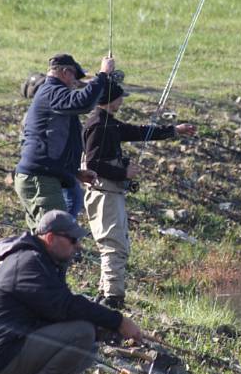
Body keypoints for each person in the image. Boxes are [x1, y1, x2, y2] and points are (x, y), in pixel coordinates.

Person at [0, 209, 142, 374]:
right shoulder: (29, 263)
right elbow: (64, 306)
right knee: (82, 334)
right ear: (51, 238)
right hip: (0, 356)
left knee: (88, 347)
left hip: (9, 349)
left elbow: (55, 312)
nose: (78, 245)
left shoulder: (43, 261)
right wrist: (118, 321)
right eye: (73, 240)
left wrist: (104, 327)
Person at [83, 80, 196, 307]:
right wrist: (123, 172)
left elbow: (137, 131)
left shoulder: (108, 123)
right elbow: (92, 164)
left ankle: (105, 293)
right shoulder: (99, 126)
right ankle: (113, 298)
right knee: (114, 245)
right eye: (120, 97)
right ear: (112, 99)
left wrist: (174, 130)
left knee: (115, 244)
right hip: (104, 194)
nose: (122, 100)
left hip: (110, 193)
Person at [14, 53, 112, 230]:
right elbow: (83, 102)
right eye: (74, 76)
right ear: (65, 72)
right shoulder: (52, 91)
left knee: (47, 236)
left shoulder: (53, 94)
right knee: (55, 234)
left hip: (43, 177)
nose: (75, 82)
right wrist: (103, 74)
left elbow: (58, 140)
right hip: (40, 179)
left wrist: (74, 172)